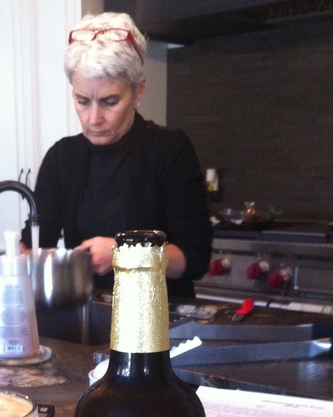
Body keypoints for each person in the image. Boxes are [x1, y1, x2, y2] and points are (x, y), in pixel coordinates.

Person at [21, 11, 212, 298]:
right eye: (82, 101)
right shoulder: (63, 157)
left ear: (138, 91)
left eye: (109, 102)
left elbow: (194, 258)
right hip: (87, 310)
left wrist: (124, 254)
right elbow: (37, 239)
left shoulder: (170, 151)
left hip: (159, 314)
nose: (93, 118)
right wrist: (15, 258)